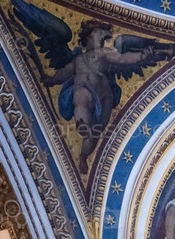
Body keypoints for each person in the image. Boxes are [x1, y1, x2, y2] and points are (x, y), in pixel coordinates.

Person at [42, 20, 153, 174]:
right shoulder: (78, 59)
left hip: (104, 95)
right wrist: (52, 80)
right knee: (80, 98)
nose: (103, 38)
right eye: (99, 34)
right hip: (84, 89)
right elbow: (64, 73)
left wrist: (141, 56)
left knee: (97, 131)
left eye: (104, 37)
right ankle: (82, 123)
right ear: (88, 36)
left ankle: (84, 155)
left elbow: (122, 58)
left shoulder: (104, 53)